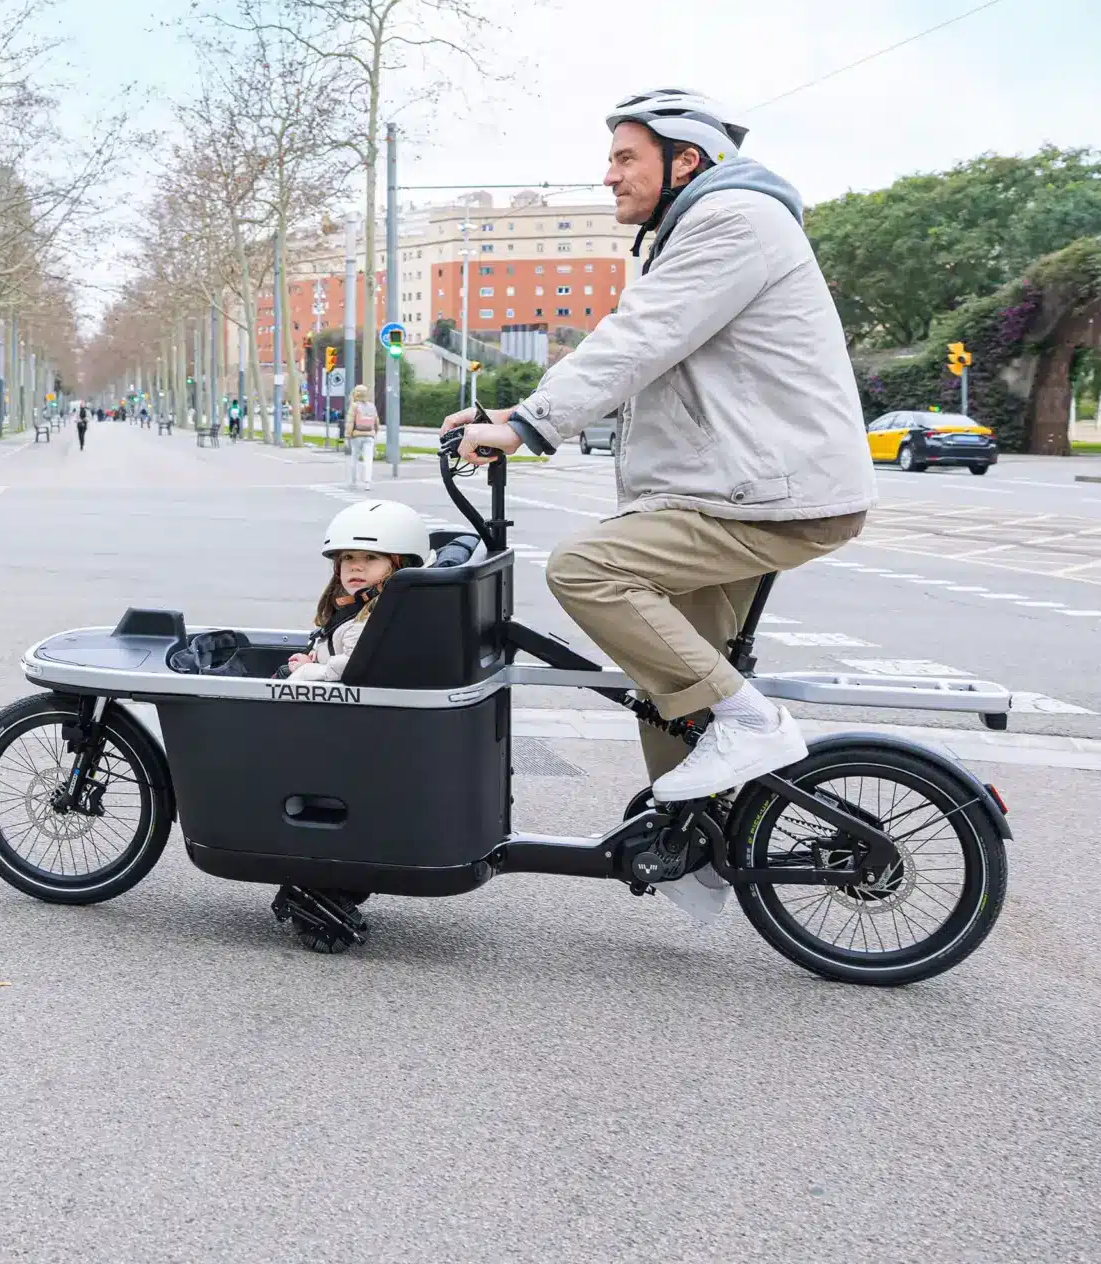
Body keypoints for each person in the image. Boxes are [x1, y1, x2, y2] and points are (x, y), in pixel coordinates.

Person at [444, 90, 873, 851]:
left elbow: (638, 340)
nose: (608, 176)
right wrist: (513, 411)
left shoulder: (733, 220)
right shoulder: (699, 229)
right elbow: (639, 358)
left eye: (624, 158)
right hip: (738, 491)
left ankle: (753, 724)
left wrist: (526, 426)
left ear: (687, 160)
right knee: (677, 687)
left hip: (766, 495)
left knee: (585, 571)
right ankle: (700, 849)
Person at [285, 500, 429, 683]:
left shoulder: (368, 622)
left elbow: (352, 666)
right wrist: (316, 654)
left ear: (400, 565)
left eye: (370, 557)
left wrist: (307, 670)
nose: (355, 566)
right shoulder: (364, 610)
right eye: (348, 557)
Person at [343, 384, 379, 488]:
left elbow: (350, 422)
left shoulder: (354, 406)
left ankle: (353, 481)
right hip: (369, 436)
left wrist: (347, 436)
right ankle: (367, 483)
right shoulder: (372, 406)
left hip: (357, 435)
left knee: (354, 458)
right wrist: (374, 433)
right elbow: (376, 422)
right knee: (368, 460)